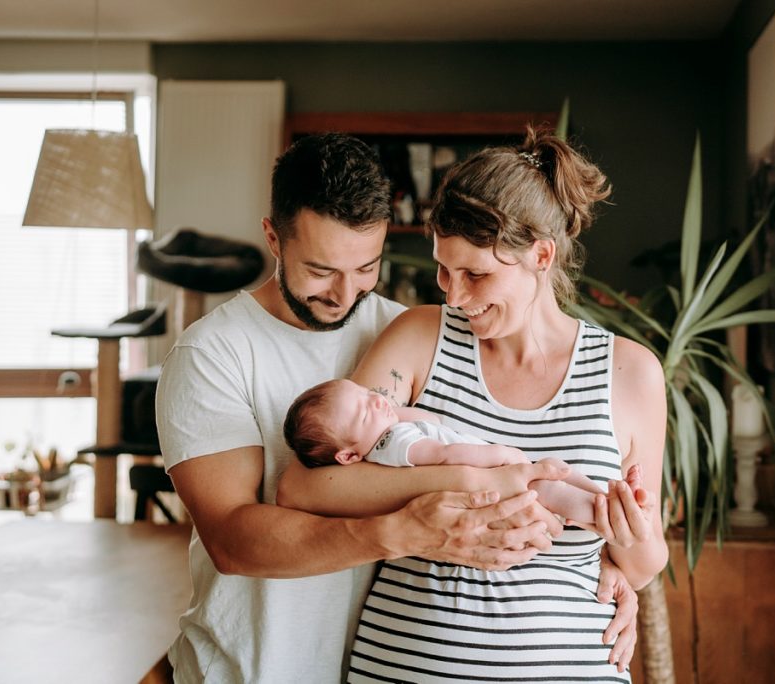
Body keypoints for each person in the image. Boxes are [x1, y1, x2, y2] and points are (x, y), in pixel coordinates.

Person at [155, 132, 638, 683]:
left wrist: (606, 569)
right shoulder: (212, 355)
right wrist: (407, 529)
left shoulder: (406, 331)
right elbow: (232, 541)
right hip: (255, 670)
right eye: (319, 270)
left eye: (366, 268)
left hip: (372, 665)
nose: (343, 294)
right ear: (273, 238)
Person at [278, 129, 670, 681]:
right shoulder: (420, 337)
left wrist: (634, 547)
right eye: (443, 268)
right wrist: (470, 479)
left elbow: (646, 562)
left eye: (476, 274)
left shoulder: (632, 375)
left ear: (541, 254)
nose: (454, 296)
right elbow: (305, 487)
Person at [282, 377, 636, 525]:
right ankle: (601, 513)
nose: (375, 400)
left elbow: (425, 417)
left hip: (507, 474)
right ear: (348, 457)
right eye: (363, 411)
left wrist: (389, 413)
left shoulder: (389, 433)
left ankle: (610, 498)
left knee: (556, 471)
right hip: (500, 479)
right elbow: (444, 456)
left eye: (364, 392)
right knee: (549, 486)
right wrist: (500, 454)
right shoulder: (397, 445)